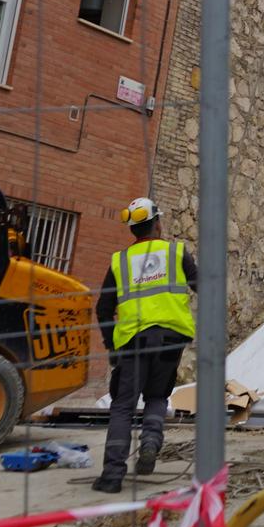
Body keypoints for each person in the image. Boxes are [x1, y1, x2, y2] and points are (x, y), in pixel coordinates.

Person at [94, 197, 195, 494]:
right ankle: (150, 443)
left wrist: (112, 347)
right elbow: (202, 283)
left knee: (123, 406)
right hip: (170, 340)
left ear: (133, 230)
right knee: (156, 396)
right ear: (158, 224)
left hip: (132, 342)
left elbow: (103, 309)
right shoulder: (176, 252)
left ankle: (112, 475)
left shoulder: (120, 261)